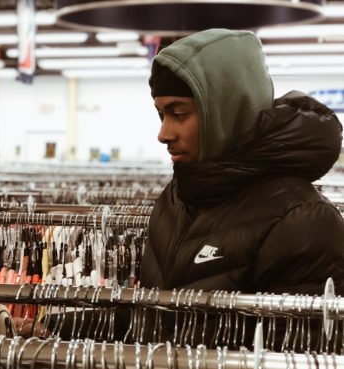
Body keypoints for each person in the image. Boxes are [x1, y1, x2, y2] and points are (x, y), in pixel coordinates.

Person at [140, 28, 344, 296]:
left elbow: (296, 337)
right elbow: (144, 317)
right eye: (161, 115)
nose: (163, 134)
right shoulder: (176, 198)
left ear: (226, 113)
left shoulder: (302, 219)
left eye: (178, 114)